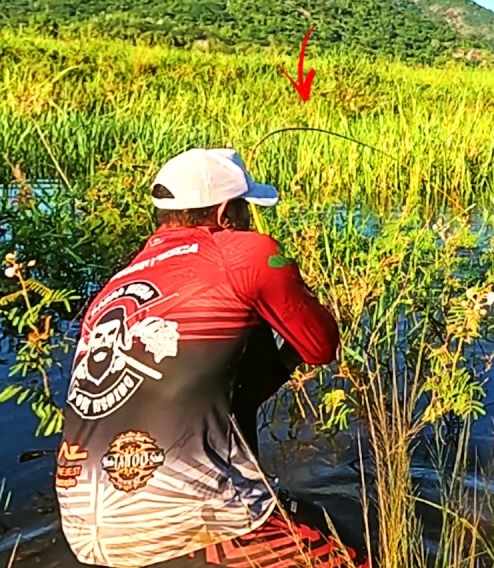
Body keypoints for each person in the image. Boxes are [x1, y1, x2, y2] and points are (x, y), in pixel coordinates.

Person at [55, 147, 370, 568]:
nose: (248, 221)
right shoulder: (247, 252)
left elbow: (215, 396)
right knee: (355, 558)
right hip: (185, 517)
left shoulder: (113, 288)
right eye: (244, 210)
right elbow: (320, 345)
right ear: (225, 214)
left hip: (85, 528)